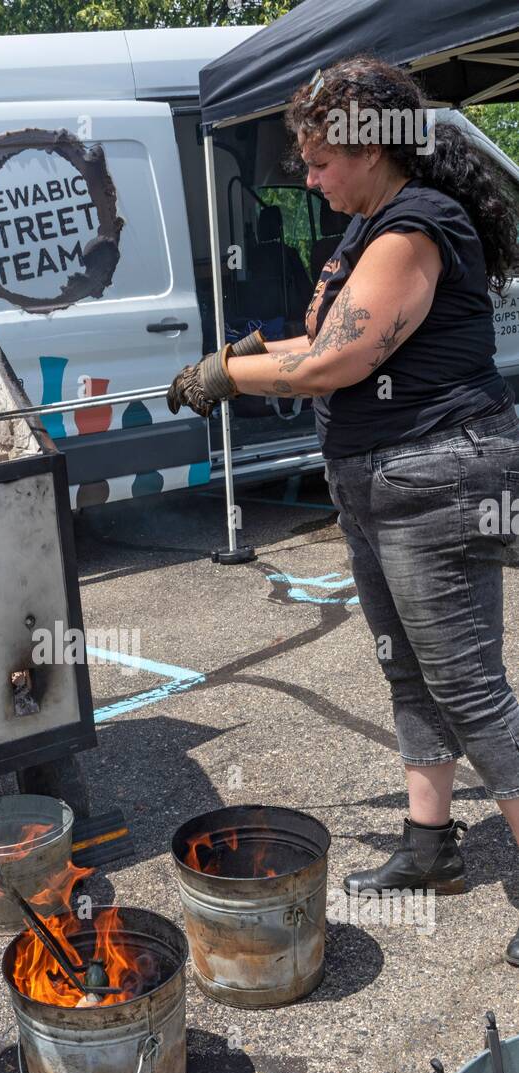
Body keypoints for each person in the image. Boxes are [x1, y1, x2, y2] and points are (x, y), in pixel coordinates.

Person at [168, 56, 519, 966]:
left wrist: (228, 374)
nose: (309, 178)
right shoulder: (366, 228)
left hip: (437, 477)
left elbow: (337, 364)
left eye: (321, 160)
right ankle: (431, 846)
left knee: (473, 694)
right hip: (375, 479)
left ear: (371, 148)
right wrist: (250, 348)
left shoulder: (413, 228)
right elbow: (326, 338)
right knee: (411, 672)